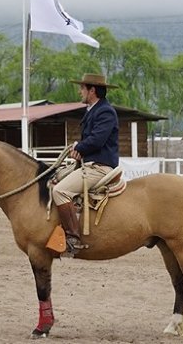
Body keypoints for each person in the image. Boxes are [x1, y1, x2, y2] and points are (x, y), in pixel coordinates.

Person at [52, 73, 119, 253]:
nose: (80, 91)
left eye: (82, 88)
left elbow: (97, 140)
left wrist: (79, 147)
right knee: (53, 179)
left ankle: (74, 238)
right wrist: (79, 149)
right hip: (89, 164)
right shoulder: (94, 110)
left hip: (100, 167)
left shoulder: (105, 111)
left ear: (92, 91)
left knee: (60, 191)